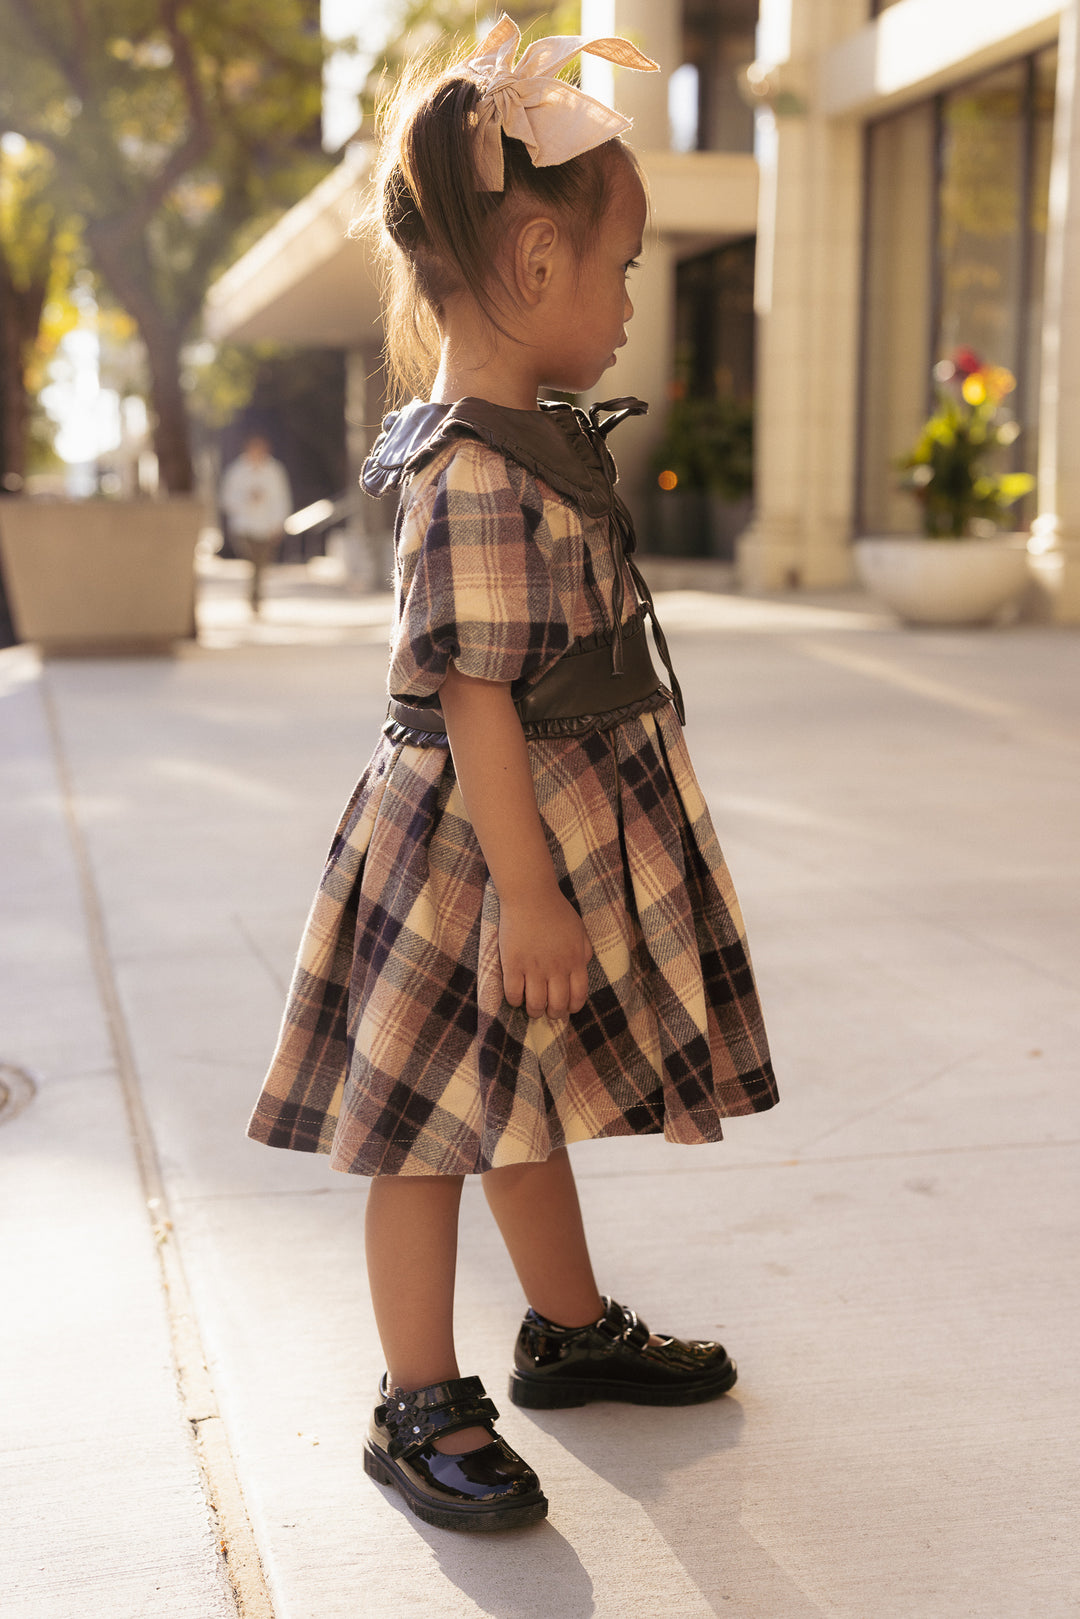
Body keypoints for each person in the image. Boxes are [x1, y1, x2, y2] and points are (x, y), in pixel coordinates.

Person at [247, 15, 778, 1534]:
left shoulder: (520, 435)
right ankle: (417, 1395)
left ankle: (566, 1325)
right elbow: (475, 694)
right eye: (617, 269)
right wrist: (532, 894)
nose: (626, 303)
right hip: (479, 848)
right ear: (535, 264)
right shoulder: (473, 467)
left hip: (531, 829)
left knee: (519, 1098)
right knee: (429, 1125)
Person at [219, 433, 292, 612]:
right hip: (244, 526)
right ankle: (254, 595)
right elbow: (227, 499)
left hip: (266, 526)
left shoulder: (274, 470)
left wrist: (279, 524)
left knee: (261, 563)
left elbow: (281, 499)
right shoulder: (237, 471)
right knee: (253, 561)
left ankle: (255, 594)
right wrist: (247, 499)